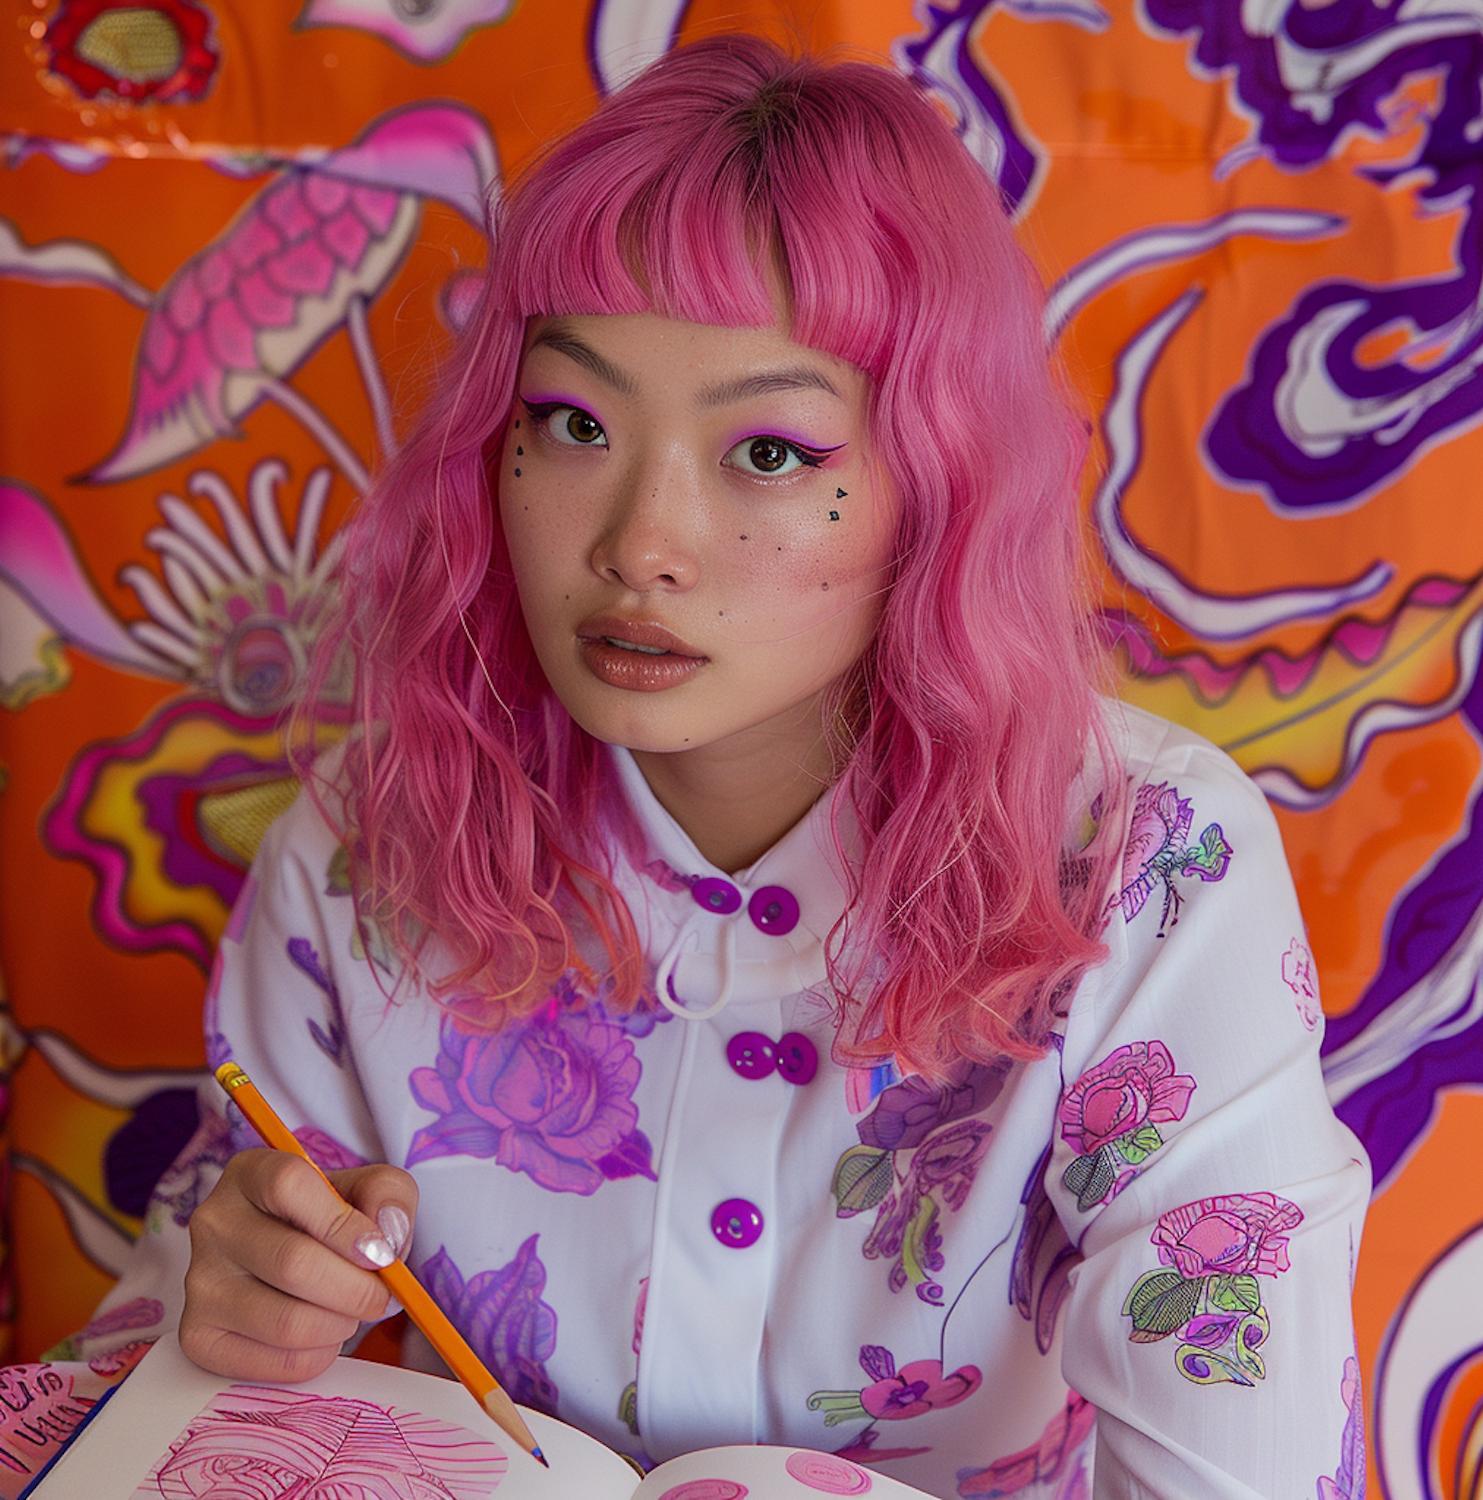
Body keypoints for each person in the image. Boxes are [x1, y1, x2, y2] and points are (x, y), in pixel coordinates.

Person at [87, 34, 1369, 1499]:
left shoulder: (1146, 866)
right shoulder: (363, 850)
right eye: (574, 422)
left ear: (936, 481)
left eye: (767, 451)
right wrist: (233, 1310)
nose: (641, 544)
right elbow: (136, 1404)